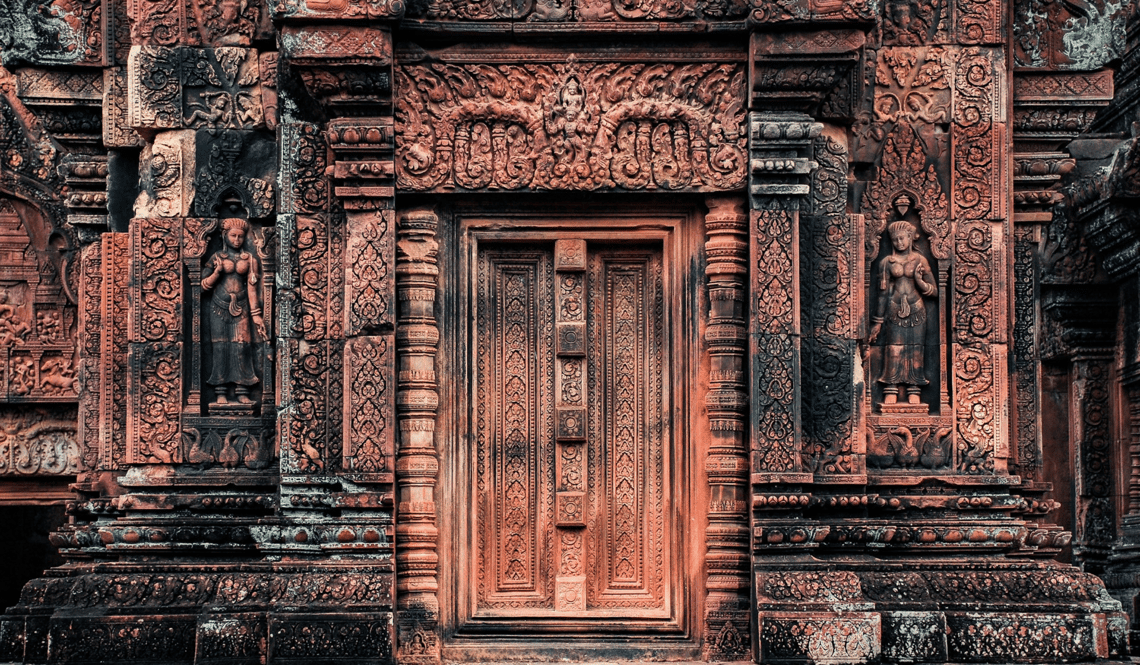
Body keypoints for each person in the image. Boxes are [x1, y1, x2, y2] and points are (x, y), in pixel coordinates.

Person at [869, 215, 936, 405]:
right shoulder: (886, 263)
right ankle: (891, 388)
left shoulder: (920, 260)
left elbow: (935, 291)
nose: (899, 242)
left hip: (917, 309)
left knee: (916, 349)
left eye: (902, 238)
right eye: (895, 239)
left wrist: (920, 281)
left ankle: (914, 388)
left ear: (910, 237)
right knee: (894, 348)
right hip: (894, 309)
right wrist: (877, 322)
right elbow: (882, 295)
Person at [201, 218, 265, 405]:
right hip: (219, 307)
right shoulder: (216, 258)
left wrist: (257, 315)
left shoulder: (251, 260)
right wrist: (217, 273)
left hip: (243, 308)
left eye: (241, 237)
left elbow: (252, 290)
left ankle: (242, 390)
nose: (237, 240)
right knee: (220, 348)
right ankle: (220, 391)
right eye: (233, 236)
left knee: (242, 346)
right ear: (224, 235)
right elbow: (201, 287)